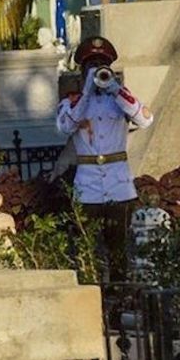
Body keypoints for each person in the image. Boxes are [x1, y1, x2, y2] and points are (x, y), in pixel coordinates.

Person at [55, 36, 153, 280]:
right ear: (82, 70)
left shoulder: (119, 99)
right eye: (91, 65)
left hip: (118, 185)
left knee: (119, 250)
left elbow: (145, 119)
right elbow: (65, 126)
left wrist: (116, 89)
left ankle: (122, 301)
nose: (96, 69)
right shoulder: (73, 102)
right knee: (87, 251)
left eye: (101, 64)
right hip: (88, 187)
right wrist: (87, 93)